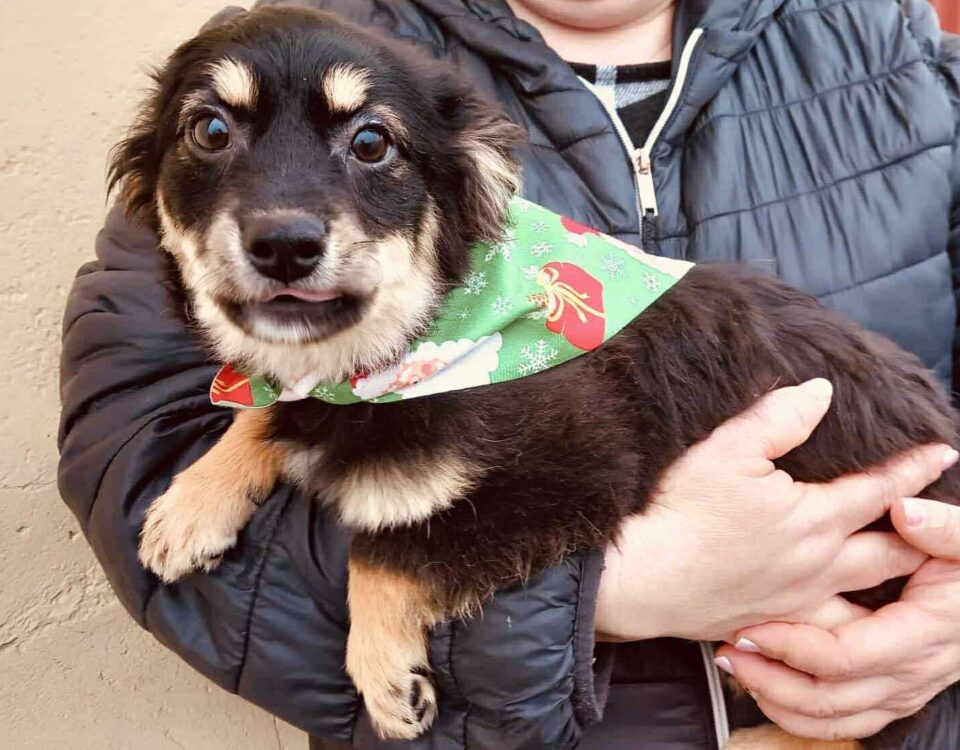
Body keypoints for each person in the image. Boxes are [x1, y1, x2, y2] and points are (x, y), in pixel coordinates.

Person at [57, 0, 960, 748]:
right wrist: (615, 590)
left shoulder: (901, 50)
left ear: (475, 192)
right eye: (213, 131)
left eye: (369, 145)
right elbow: (147, 449)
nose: (283, 217)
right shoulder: (311, 31)